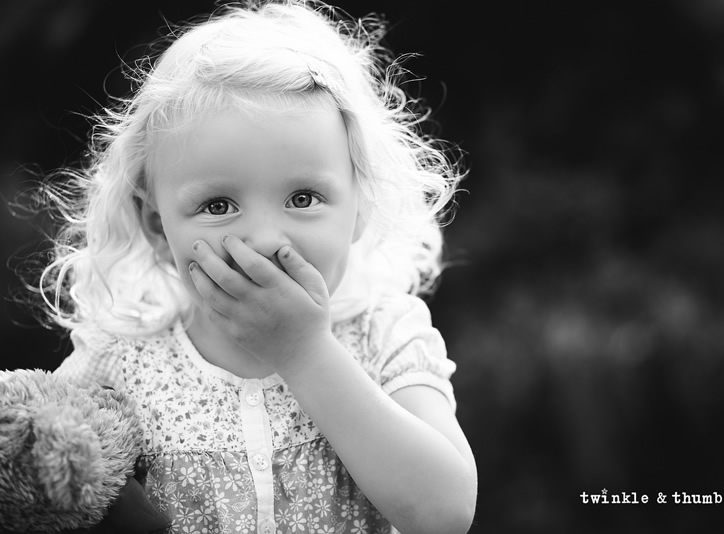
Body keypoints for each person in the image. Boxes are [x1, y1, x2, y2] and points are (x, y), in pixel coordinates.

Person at [39, 1, 476, 533]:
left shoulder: (384, 335)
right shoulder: (118, 362)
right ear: (157, 228)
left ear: (359, 208)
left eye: (304, 196)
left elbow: (445, 514)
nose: (266, 240)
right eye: (218, 205)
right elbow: (35, 466)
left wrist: (303, 350)